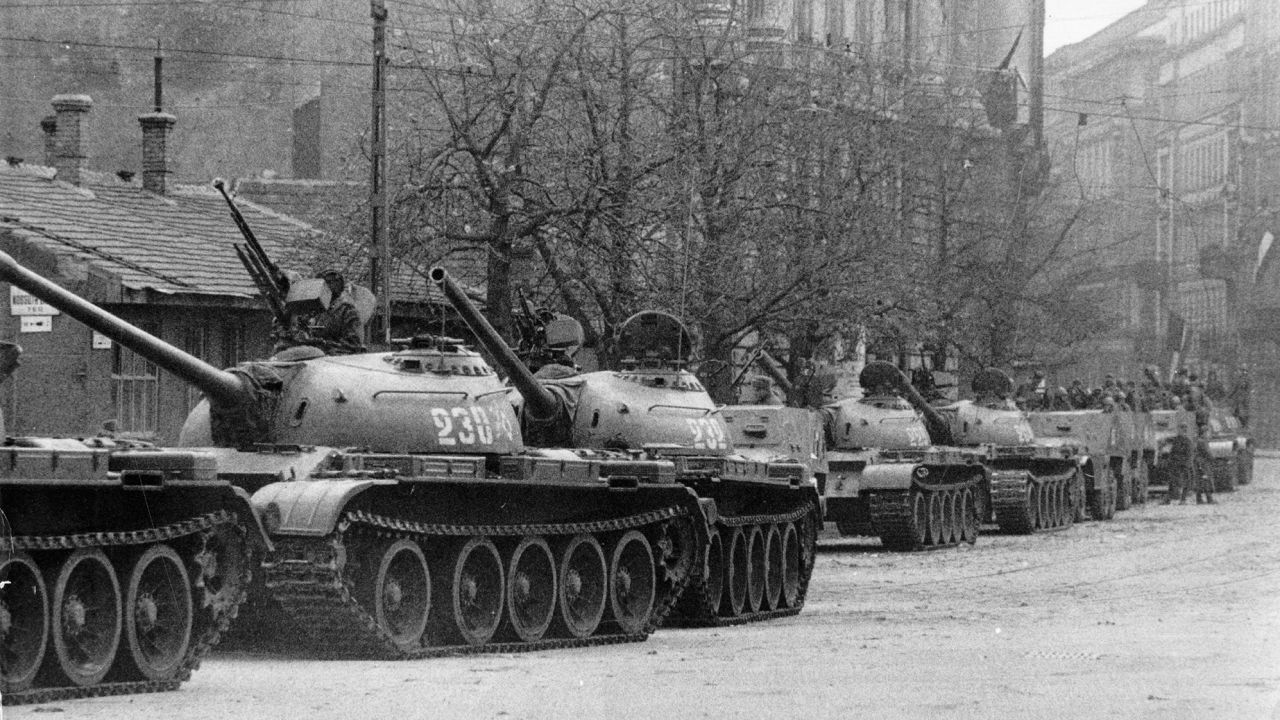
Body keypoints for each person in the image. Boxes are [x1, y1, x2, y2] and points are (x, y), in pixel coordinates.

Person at [309, 269, 364, 353]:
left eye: (326, 284)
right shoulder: (319, 309)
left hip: (339, 357)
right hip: (318, 353)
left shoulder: (347, 310)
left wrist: (325, 345)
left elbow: (354, 344)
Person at [1163, 423, 1195, 504]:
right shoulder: (1178, 440)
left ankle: (1181, 499)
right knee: (1175, 482)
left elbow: (1189, 454)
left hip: (1182, 464)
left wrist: (1188, 464)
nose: (1180, 431)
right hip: (1178, 464)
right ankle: (1171, 499)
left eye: (1181, 429)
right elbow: (1172, 452)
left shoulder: (1184, 441)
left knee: (1183, 482)